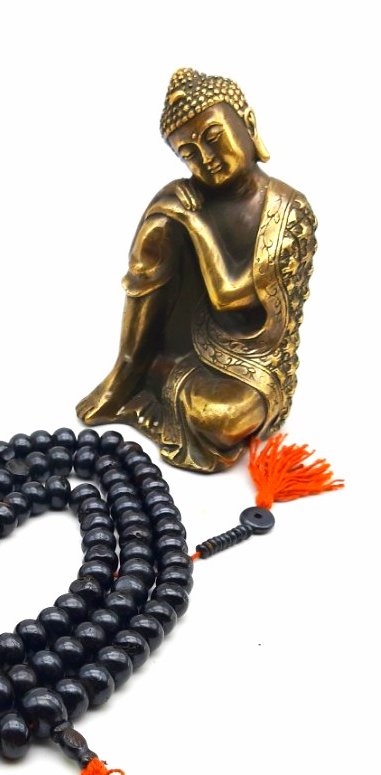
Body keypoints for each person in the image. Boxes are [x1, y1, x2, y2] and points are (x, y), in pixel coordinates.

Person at [76, 68, 317, 472]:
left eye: (213, 136)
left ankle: (154, 384)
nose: (206, 158)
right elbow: (151, 264)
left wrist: (195, 222)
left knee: (224, 419)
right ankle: (131, 371)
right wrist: (161, 215)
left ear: (248, 125)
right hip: (191, 345)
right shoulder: (186, 196)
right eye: (188, 153)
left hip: (256, 367)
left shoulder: (288, 211)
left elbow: (230, 296)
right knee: (159, 226)